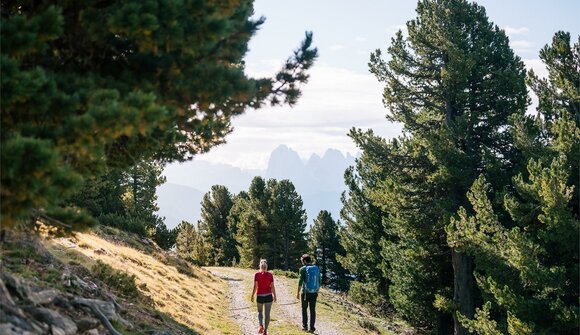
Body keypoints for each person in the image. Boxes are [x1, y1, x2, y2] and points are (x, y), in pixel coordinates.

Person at [296, 254, 321, 333]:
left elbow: (300, 281)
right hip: (314, 292)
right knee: (312, 310)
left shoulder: (303, 269)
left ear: (304, 261)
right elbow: (319, 280)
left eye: (302, 261)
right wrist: (317, 290)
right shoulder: (316, 268)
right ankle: (312, 328)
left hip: (305, 292)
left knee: (304, 309)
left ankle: (305, 326)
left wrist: (298, 292)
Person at [251, 259, 276, 335]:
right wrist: (275, 296)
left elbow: (255, 287)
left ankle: (261, 325)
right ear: (266, 266)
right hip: (268, 296)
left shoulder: (257, 275)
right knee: (267, 314)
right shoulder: (270, 275)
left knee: (260, 312)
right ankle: (265, 331)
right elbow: (272, 287)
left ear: (260, 266)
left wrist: (252, 295)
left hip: (260, 296)